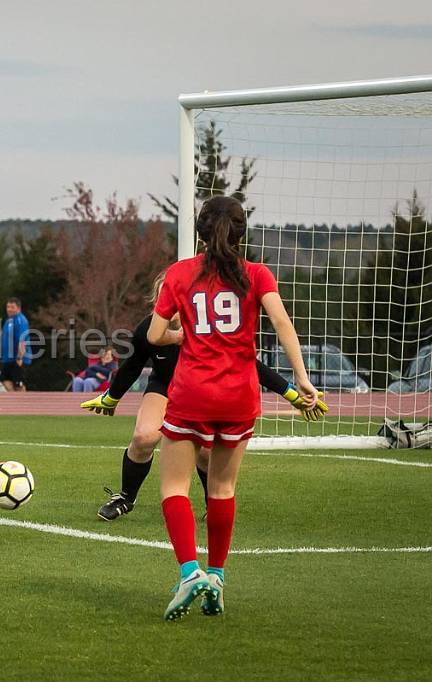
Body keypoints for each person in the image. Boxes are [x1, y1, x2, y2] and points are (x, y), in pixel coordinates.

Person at [145, 196, 318, 621]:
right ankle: (217, 577)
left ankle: (190, 572)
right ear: (242, 232)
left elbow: (153, 334)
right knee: (222, 489)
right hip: (240, 394)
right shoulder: (256, 274)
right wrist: (301, 377)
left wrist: (178, 338)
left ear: (201, 231)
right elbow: (281, 323)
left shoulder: (179, 274)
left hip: (193, 392)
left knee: (174, 488)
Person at [82, 277, 328, 522]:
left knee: (204, 450)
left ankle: (214, 502)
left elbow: (250, 364)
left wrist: (292, 394)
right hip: (164, 387)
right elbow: (132, 367)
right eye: (163, 295)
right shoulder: (148, 329)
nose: (168, 300)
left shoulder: (207, 327)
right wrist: (111, 398)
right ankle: (126, 497)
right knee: (144, 436)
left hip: (199, 390)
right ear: (157, 301)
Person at [0, 297, 32, 391]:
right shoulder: (9, 320)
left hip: (18, 358)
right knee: (4, 379)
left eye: (12, 307)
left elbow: (22, 340)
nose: (9, 309)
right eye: (8, 307)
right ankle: (14, 400)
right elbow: (5, 333)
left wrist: (19, 357)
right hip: (8, 358)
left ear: (18, 308)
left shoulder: (20, 320)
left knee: (19, 384)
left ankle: (21, 403)